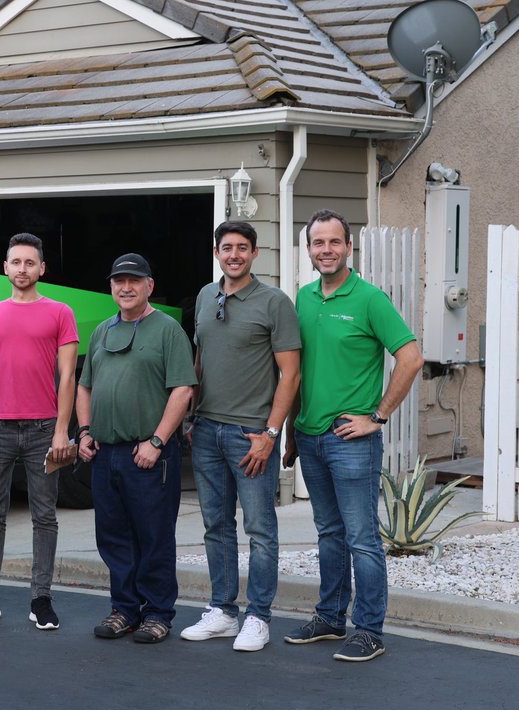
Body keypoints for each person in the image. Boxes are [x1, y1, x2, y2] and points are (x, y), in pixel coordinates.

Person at [283, 209, 423, 662]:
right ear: (309, 250)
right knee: (328, 533)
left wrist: (377, 417)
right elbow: (297, 373)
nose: (326, 250)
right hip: (308, 435)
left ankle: (369, 629)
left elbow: (411, 358)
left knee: (362, 536)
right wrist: (289, 432)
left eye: (334, 242)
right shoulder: (303, 299)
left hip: (351, 439)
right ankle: (329, 618)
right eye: (318, 243)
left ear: (348, 247)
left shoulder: (369, 299)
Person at [180, 221, 301, 652]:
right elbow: (200, 358)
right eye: (227, 247)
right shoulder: (204, 296)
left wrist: (271, 433)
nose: (234, 255)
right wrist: (191, 418)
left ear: (254, 254)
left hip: (251, 435)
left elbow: (291, 374)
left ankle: (259, 616)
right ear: (217, 252)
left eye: (242, 248)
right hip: (208, 429)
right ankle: (222, 611)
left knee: (260, 529)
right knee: (215, 525)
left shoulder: (274, 303)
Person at [0, 232, 78, 631]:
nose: (22, 269)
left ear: (41, 269)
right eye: (16, 262)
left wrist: (62, 430)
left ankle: (40, 599)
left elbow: (67, 376)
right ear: (5, 268)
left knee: (44, 516)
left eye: (30, 262)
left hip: (45, 428)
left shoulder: (61, 312)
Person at [76, 253, 195, 644]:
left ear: (149, 286)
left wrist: (158, 441)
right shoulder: (101, 332)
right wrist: (86, 430)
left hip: (148, 453)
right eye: (118, 281)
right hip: (106, 453)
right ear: (111, 287)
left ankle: (158, 612)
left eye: (133, 281)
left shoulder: (167, 329)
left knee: (153, 535)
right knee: (113, 536)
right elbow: (85, 386)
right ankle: (124, 609)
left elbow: (182, 389)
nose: (125, 288)